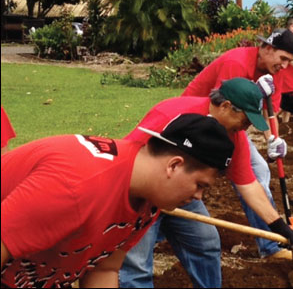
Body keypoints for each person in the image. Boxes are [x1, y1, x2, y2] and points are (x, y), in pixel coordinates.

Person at [1, 114, 235, 288]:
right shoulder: (78, 185)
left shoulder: (148, 199)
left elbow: (104, 268)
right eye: (200, 185)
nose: (198, 197)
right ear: (174, 165)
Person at [119, 78, 293, 288]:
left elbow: (248, 184)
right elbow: (131, 159)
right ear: (225, 107)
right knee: (137, 265)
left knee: (206, 243)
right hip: (143, 194)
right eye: (245, 120)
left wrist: (276, 225)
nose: (246, 127)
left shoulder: (234, 136)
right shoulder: (172, 113)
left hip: (184, 194)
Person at [182, 28, 293, 256]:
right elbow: (222, 105)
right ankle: (271, 245)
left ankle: (270, 243)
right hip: (198, 121)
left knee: (259, 171)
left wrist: (272, 140)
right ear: (266, 48)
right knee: (249, 176)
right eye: (283, 58)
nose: (285, 66)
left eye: (290, 61)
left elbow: (269, 112)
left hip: (231, 122)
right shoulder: (237, 62)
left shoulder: (275, 72)